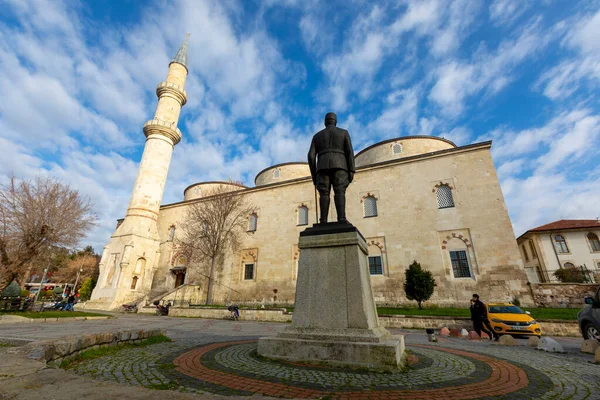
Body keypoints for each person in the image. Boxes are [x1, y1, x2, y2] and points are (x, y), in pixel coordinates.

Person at [307, 112, 355, 223]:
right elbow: (349, 152)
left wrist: (314, 173)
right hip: (340, 166)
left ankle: (323, 220)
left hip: (322, 167)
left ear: (325, 122)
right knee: (339, 191)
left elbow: (311, 156)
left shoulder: (317, 136)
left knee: (324, 193)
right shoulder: (343, 133)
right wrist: (351, 169)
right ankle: (341, 218)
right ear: (335, 121)